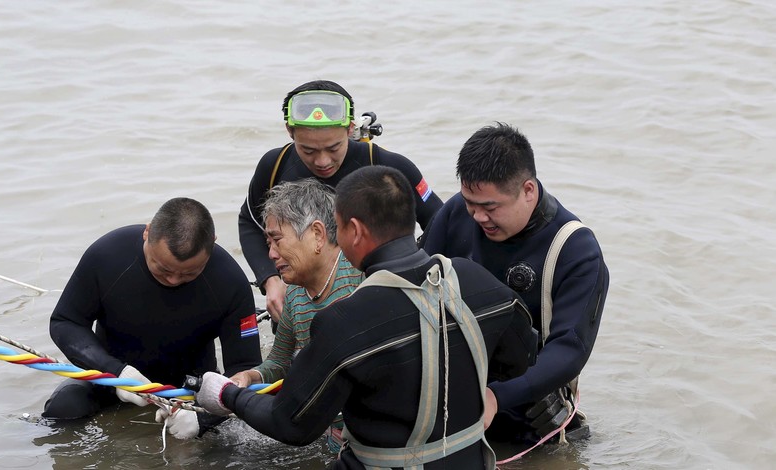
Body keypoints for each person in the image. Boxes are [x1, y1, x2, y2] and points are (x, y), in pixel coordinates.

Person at [197, 166, 537, 469]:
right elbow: (523, 359)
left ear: (354, 231)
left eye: (339, 228)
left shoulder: (345, 319)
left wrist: (227, 395)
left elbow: (291, 425)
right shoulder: (477, 281)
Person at [419, 122, 609, 450]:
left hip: (532, 421)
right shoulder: (456, 213)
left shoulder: (576, 250)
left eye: (491, 207)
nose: (477, 217)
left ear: (528, 191)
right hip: (454, 404)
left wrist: (496, 397)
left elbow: (570, 349)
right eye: (470, 203)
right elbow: (415, 286)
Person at [42, 197, 262, 440]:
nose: (173, 280)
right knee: (62, 410)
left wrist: (202, 419)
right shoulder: (107, 255)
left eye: (189, 273)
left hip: (188, 390)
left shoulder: (230, 282)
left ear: (212, 244)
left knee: (224, 441)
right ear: (147, 233)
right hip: (111, 379)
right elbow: (65, 322)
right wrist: (116, 372)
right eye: (163, 269)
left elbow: (245, 370)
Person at [239, 80, 444, 325]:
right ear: (289, 131)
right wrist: (270, 280)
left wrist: (418, 278)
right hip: (300, 309)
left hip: (378, 304)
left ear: (350, 128)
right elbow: (249, 222)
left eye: (333, 147)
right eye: (308, 150)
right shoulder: (274, 166)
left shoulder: (390, 167)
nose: (322, 161)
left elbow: (441, 221)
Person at [229, 178, 365, 453]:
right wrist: (249, 377)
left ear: (317, 234)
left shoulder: (361, 275)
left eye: (277, 240)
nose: (270, 254)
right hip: (325, 433)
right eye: (268, 243)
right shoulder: (294, 295)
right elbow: (279, 364)